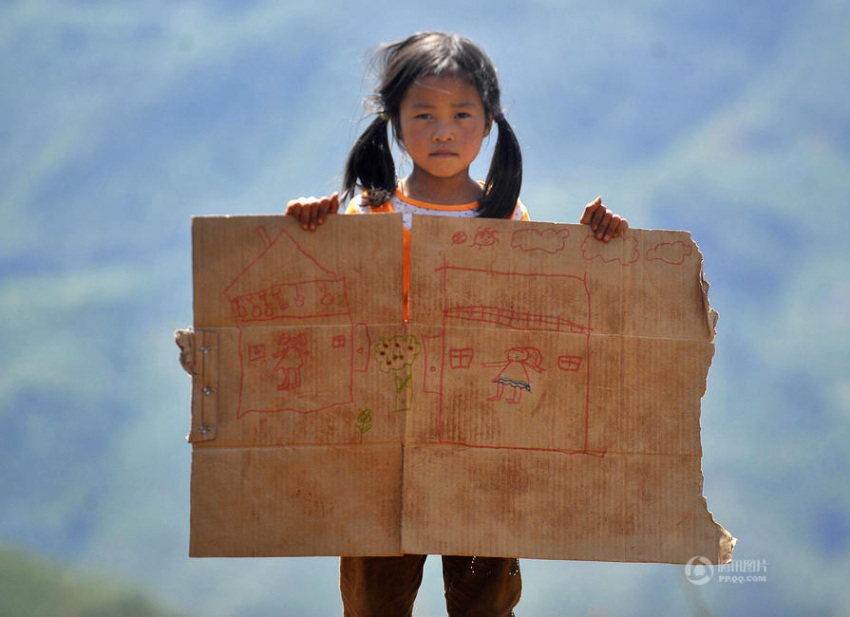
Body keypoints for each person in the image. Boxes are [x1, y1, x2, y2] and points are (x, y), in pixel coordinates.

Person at [285, 31, 627, 617]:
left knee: (485, 601)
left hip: (481, 438)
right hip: (386, 442)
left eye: (461, 113)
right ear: (395, 123)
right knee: (374, 601)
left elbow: (542, 308)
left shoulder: (509, 217)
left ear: (489, 123)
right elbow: (318, 301)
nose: (443, 130)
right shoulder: (370, 213)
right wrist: (313, 225)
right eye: (424, 114)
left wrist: (594, 243)